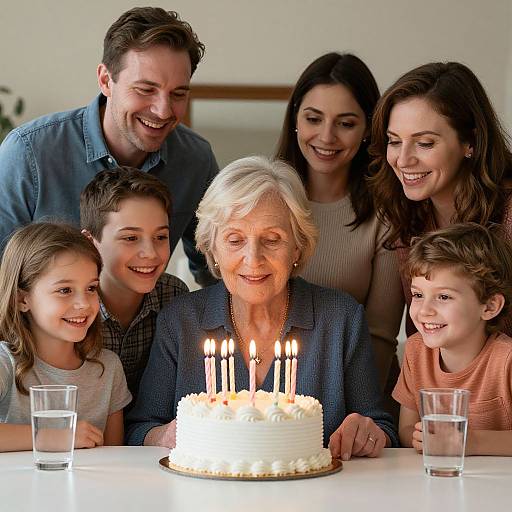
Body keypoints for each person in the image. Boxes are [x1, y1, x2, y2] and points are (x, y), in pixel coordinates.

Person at [126, 156, 398, 459]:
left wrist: (367, 434)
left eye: (272, 239)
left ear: (297, 246)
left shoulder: (341, 319)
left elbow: (383, 429)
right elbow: (139, 428)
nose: (253, 259)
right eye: (235, 240)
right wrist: (163, 435)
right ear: (211, 246)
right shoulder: (180, 320)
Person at [0, 7, 218, 286]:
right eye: (145, 90)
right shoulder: (28, 152)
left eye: (177, 94)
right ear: (105, 80)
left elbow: (214, 270)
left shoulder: (195, 159)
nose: (163, 111)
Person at [275, 52, 404, 402]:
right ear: (296, 120)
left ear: (367, 130)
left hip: (353, 405)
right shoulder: (264, 197)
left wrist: (353, 414)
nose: (326, 136)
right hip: (261, 404)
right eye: (314, 118)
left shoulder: (387, 214)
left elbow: (379, 336)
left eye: (346, 123)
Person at [369, 61, 512, 335]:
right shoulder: (406, 217)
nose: (403, 160)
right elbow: (423, 338)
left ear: (470, 143)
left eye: (425, 143)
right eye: (395, 141)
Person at [0, 223, 131, 452]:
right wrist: (56, 437)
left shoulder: (108, 368)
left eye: (91, 288)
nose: (83, 304)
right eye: (65, 290)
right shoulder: (5, 362)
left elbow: (114, 457)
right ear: (23, 300)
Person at [393, 223, 512, 455]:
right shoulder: (416, 351)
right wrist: (419, 439)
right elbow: (406, 428)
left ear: (489, 306)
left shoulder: (506, 361)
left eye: (444, 296)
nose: (425, 310)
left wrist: (471, 442)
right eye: (418, 294)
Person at [80, 167, 189, 399]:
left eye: (160, 237)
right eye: (130, 238)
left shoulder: (175, 296)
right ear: (90, 242)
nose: (150, 253)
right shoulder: (70, 305)